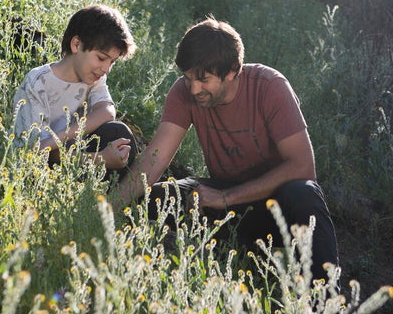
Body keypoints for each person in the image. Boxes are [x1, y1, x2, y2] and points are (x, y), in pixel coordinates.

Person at [117, 17, 339, 284]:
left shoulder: (270, 87)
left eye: (204, 79)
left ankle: (325, 306)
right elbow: (156, 157)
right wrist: (109, 207)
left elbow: (303, 166)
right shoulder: (183, 92)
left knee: (304, 192)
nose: (194, 88)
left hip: (275, 208)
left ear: (233, 70)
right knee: (158, 197)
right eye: (188, 78)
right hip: (224, 204)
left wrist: (226, 197)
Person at [13, 4, 138, 176]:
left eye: (112, 62)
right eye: (101, 58)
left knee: (119, 133)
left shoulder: (94, 77)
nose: (106, 68)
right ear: (76, 44)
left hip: (69, 154)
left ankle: (113, 197)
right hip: (36, 169)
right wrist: (100, 159)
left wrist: (58, 138)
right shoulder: (38, 83)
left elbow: (107, 111)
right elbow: (36, 152)